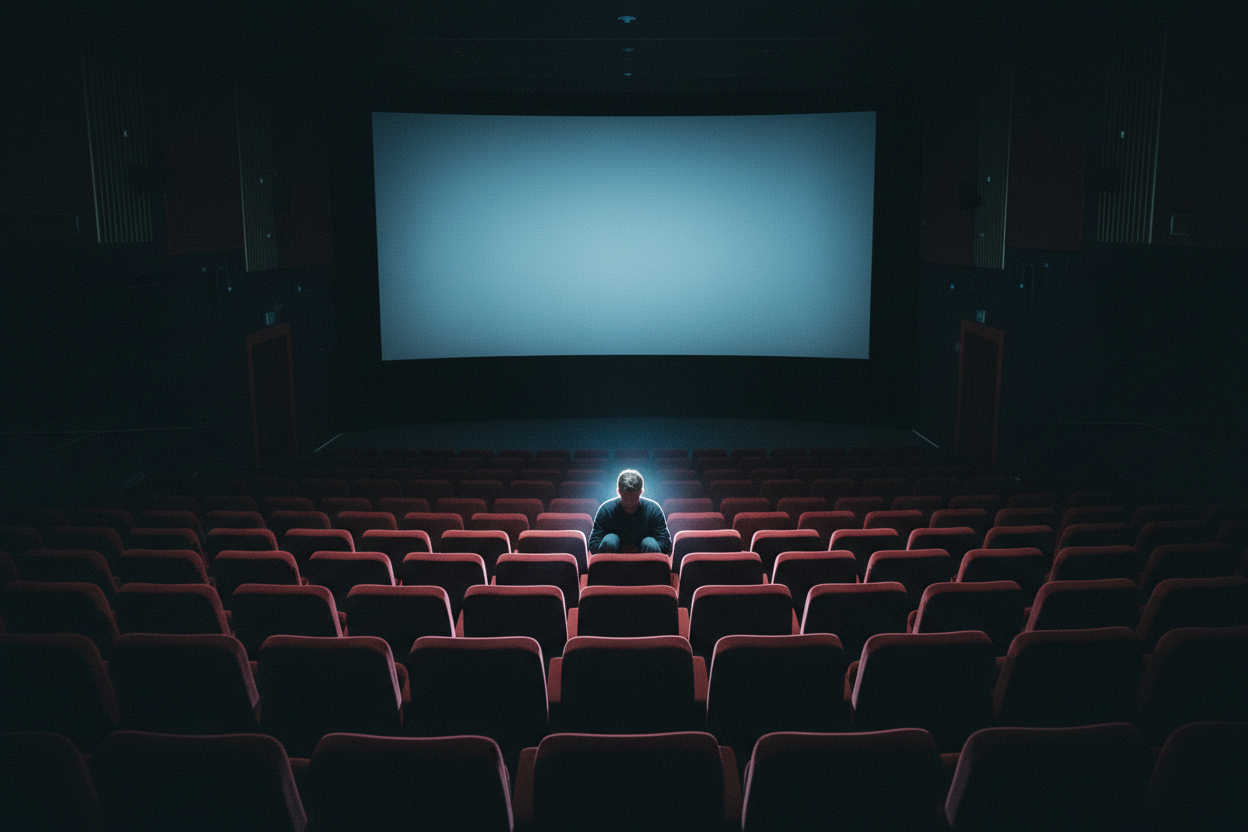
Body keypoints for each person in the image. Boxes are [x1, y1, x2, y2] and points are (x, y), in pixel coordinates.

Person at [589, 469, 671, 554]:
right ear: (618, 492)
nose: (630, 503)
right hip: (612, 559)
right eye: (626, 498)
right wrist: (620, 550)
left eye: (634, 498)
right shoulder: (605, 510)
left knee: (650, 542)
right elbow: (593, 544)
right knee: (610, 540)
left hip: (646, 558)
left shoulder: (654, 510)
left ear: (641, 492)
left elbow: (666, 546)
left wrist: (638, 549)